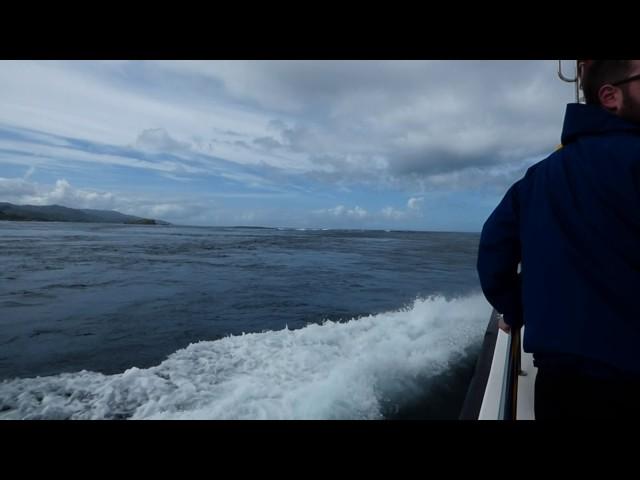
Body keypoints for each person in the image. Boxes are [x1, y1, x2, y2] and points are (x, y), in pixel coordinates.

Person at [477, 60, 640, 419]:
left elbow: (493, 252)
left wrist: (516, 309)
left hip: (559, 384)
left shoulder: (537, 177)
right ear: (610, 96)